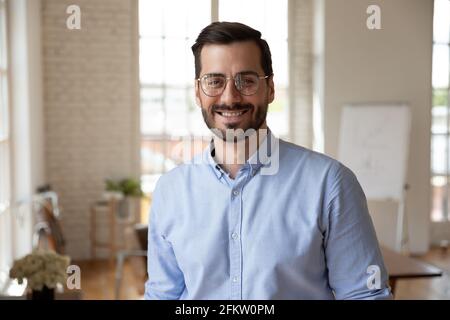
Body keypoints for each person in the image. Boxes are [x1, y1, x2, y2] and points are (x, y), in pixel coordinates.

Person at [144, 21, 392, 300]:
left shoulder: (329, 183)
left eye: (246, 81)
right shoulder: (170, 191)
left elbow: (364, 295)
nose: (230, 97)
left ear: (270, 88)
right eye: (214, 81)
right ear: (198, 92)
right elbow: (163, 294)